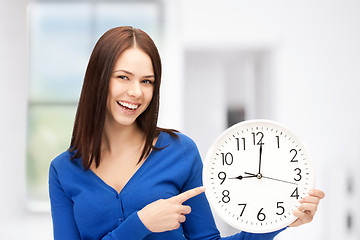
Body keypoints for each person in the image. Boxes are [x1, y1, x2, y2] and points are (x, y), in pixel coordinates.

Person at [48, 26, 325, 240]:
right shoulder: (63, 171)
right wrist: (140, 223)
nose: (136, 91)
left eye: (147, 81)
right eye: (123, 77)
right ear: (99, 79)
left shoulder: (180, 151)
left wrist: (280, 221)